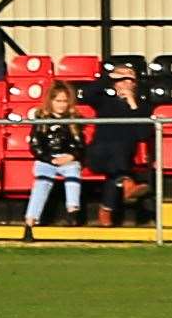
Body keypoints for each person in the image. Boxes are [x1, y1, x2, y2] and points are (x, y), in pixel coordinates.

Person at [78, 65, 154, 226]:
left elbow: (143, 134)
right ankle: (125, 185)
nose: (126, 82)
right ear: (114, 83)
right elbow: (86, 94)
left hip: (121, 157)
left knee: (116, 171)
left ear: (135, 84)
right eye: (121, 79)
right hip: (98, 154)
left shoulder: (142, 107)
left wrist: (133, 104)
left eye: (130, 79)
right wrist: (109, 76)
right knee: (119, 162)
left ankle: (111, 204)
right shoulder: (103, 101)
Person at [22, 81, 85, 240]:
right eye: (58, 101)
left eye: (64, 101)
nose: (61, 105)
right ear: (50, 101)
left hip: (67, 158)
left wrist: (71, 156)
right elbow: (35, 145)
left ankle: (72, 210)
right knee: (41, 184)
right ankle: (30, 222)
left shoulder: (73, 120)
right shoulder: (41, 120)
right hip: (46, 159)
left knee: (73, 172)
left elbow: (79, 144)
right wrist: (49, 158)